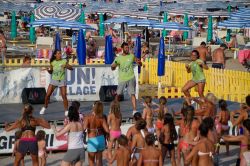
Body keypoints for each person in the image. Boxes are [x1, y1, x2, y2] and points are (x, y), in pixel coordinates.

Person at [111, 42, 142, 114]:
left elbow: (139, 63)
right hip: (122, 78)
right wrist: (113, 67)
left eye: (128, 48)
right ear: (122, 49)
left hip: (131, 77)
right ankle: (115, 110)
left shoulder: (132, 56)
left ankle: (134, 110)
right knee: (118, 95)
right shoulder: (118, 58)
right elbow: (112, 68)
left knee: (132, 94)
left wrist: (139, 63)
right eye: (126, 48)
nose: (127, 49)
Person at [40, 49, 73, 116]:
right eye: (58, 53)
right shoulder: (52, 62)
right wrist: (48, 70)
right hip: (54, 80)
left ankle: (66, 110)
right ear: (55, 55)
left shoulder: (64, 61)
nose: (59, 55)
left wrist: (66, 66)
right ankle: (45, 107)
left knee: (64, 96)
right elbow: (51, 72)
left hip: (61, 80)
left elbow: (71, 68)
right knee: (47, 95)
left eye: (60, 53)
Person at [83, 101, 109, 166]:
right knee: (99, 160)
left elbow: (83, 128)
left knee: (91, 161)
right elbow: (107, 130)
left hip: (92, 140)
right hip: (101, 139)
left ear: (93, 108)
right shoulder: (102, 118)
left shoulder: (88, 117)